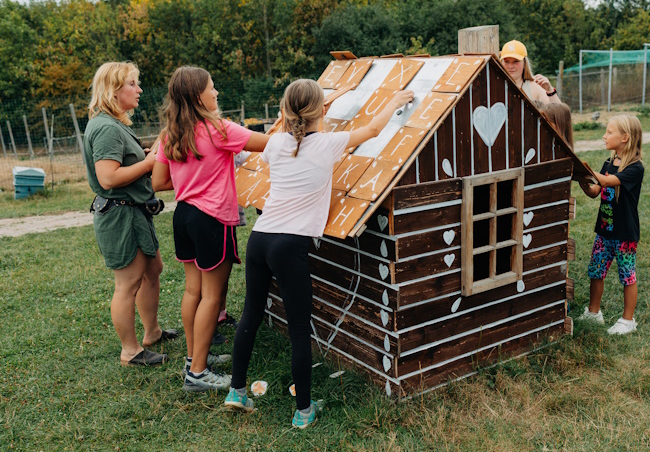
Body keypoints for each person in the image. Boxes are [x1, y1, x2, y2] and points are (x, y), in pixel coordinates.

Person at [224, 79, 414, 428]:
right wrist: (396, 99)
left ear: (285, 110)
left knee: (251, 313)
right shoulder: (328, 144)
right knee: (299, 328)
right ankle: (304, 411)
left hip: (261, 237)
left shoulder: (277, 141)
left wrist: (322, 102)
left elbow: (288, 123)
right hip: (289, 243)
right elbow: (372, 128)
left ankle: (236, 391)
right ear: (321, 112)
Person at [152, 66, 269, 391]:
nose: (216, 93)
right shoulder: (219, 129)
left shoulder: (169, 133)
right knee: (212, 297)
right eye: (211, 88)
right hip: (212, 219)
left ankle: (194, 358)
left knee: (193, 292)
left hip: (184, 217)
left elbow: (159, 181)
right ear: (196, 95)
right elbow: (269, 144)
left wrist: (193, 177)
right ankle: (198, 374)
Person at [83, 61, 177, 367]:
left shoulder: (115, 124)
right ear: (113, 90)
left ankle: (152, 332)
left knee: (153, 270)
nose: (139, 90)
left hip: (134, 212)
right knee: (128, 283)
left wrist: (152, 150)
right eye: (132, 84)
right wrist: (151, 161)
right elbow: (108, 177)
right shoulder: (106, 128)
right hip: (120, 216)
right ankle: (130, 351)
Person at [577, 115, 644, 335]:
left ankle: (628, 320)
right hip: (604, 231)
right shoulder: (608, 163)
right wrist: (582, 180)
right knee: (596, 271)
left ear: (624, 138)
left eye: (609, 132)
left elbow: (607, 182)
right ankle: (594, 313)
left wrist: (586, 171)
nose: (604, 136)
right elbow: (596, 191)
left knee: (627, 275)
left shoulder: (635, 168)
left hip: (624, 234)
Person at [500, 40, 561, 105]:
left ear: (524, 63)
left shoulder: (535, 87)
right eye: (507, 61)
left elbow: (559, 113)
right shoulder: (493, 85)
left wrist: (550, 91)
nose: (511, 66)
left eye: (516, 61)